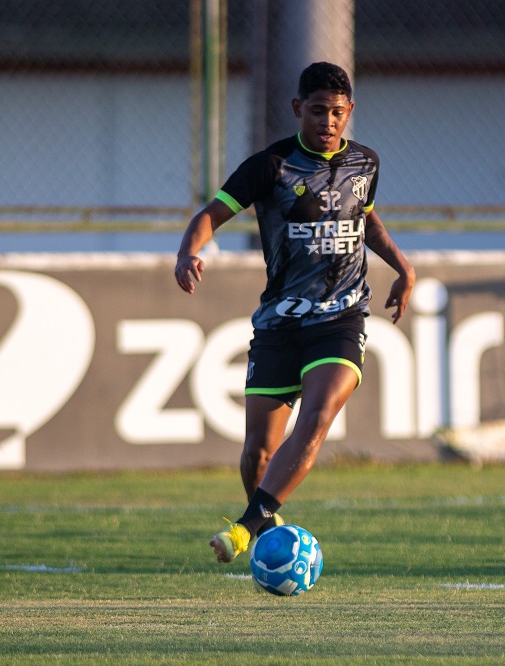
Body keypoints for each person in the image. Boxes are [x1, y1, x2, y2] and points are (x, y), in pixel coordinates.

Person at [174, 61, 416, 563]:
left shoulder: (366, 163)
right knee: (257, 454)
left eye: (338, 113)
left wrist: (401, 265)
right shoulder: (271, 165)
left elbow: (363, 218)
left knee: (317, 416)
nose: (329, 122)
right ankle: (268, 535)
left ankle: (245, 529)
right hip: (281, 322)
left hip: (343, 317)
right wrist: (188, 251)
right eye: (318, 111)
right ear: (297, 109)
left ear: (350, 112)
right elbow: (210, 215)